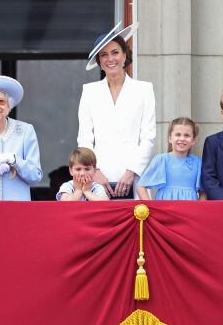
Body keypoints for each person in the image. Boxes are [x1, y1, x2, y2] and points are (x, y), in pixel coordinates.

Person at [76, 22, 157, 199]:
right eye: (104, 55)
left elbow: (148, 137)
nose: (110, 59)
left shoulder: (144, 89)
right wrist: (93, 171)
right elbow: (84, 138)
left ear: (124, 55)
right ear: (99, 61)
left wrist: (132, 172)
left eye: (115, 52)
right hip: (98, 177)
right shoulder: (89, 91)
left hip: (134, 176)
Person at [136, 117, 204, 200]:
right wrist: (151, 209)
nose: (182, 139)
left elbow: (203, 192)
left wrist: (198, 210)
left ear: (193, 140)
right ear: (170, 138)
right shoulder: (162, 160)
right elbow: (141, 187)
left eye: (187, 135)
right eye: (178, 135)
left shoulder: (198, 162)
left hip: (189, 210)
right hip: (165, 210)